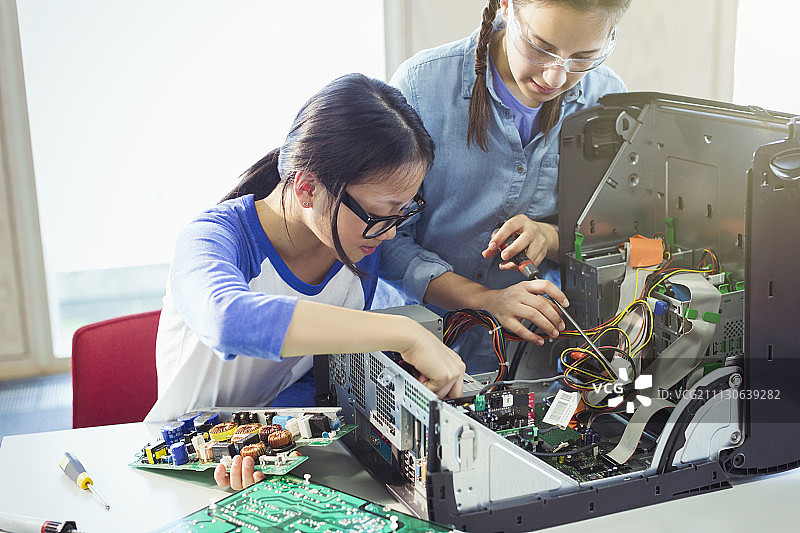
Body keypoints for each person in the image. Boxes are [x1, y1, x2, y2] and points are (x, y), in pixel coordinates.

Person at [143, 73, 466, 489]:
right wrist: (405, 334)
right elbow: (228, 321)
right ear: (307, 187)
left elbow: (313, 372)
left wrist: (276, 437)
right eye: (379, 213)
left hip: (262, 461)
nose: (389, 233)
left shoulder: (357, 252)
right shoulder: (212, 238)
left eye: (404, 210)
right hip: (179, 467)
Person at [378, 0, 629, 373]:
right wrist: (486, 300)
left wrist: (550, 236)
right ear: (507, 7)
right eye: (541, 47)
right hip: (415, 348)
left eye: (584, 57)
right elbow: (383, 240)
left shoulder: (607, 101)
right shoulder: (421, 87)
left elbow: (610, 233)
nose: (555, 78)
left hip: (532, 363)